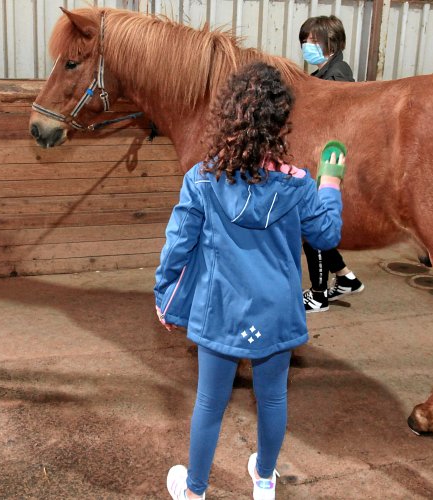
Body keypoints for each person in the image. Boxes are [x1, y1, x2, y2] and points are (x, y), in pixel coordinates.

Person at [155, 62, 345, 500]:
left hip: (220, 310)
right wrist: (331, 184)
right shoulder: (298, 184)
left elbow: (177, 246)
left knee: (209, 402)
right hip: (274, 315)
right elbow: (327, 235)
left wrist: (164, 294)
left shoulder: (200, 179)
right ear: (280, 122)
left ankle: (196, 489)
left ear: (226, 117)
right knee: (273, 398)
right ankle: (264, 479)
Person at [298, 15, 364, 312]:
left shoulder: (338, 76)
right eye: (305, 40)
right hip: (324, 157)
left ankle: (319, 292)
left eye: (313, 40)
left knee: (312, 223)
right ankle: (346, 278)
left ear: (332, 43)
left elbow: (336, 122)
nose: (307, 45)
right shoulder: (323, 72)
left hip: (329, 160)